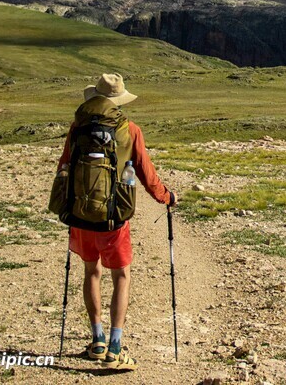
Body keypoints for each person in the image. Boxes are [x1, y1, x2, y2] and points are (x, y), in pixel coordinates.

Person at [56, 73, 177, 370]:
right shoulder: (129, 129)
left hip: (81, 215)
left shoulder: (78, 128)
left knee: (90, 272)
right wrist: (166, 197)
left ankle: (96, 340)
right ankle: (115, 346)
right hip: (114, 218)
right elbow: (147, 175)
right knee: (121, 276)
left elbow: (64, 167)